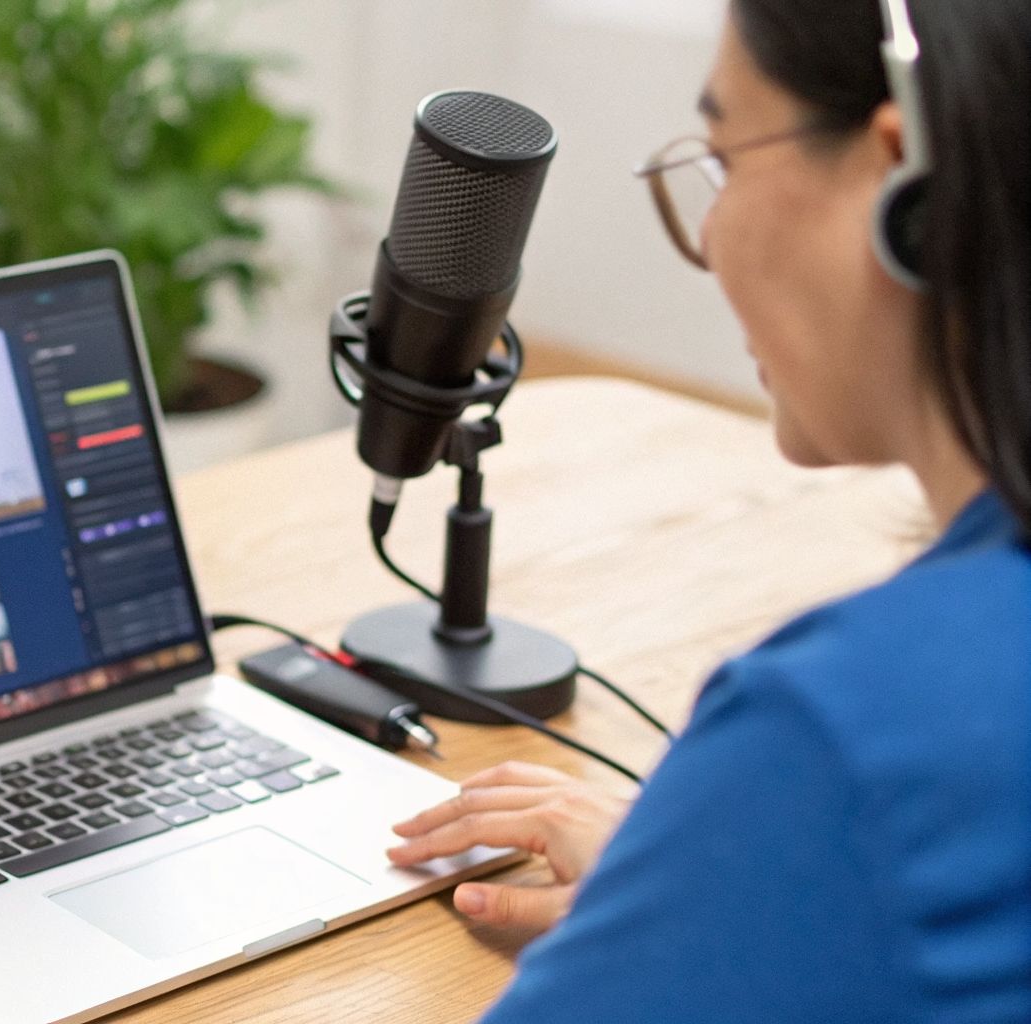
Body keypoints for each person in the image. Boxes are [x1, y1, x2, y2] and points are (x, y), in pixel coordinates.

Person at [386, 1, 1031, 1020]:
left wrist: (751, 842)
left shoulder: (842, 728)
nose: (711, 235)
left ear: (898, 181)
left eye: (723, 159)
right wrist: (721, 883)